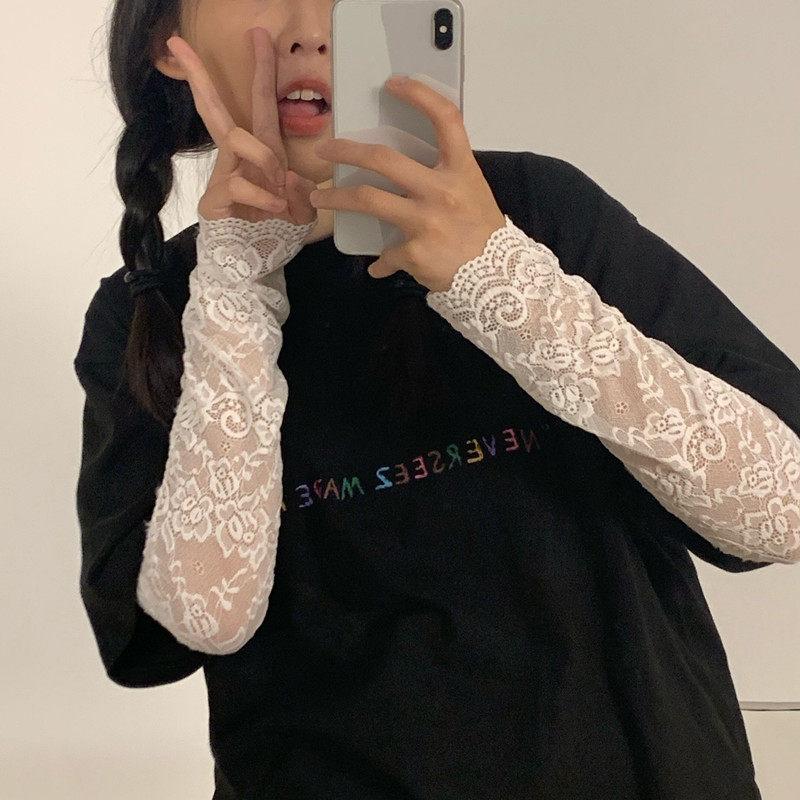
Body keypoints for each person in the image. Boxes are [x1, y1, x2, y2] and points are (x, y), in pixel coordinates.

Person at [73, 2, 800, 798]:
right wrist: (234, 291)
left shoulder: (536, 207)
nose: (312, 25)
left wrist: (497, 277)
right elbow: (200, 619)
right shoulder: (151, 308)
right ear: (166, 45)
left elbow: (784, 508)